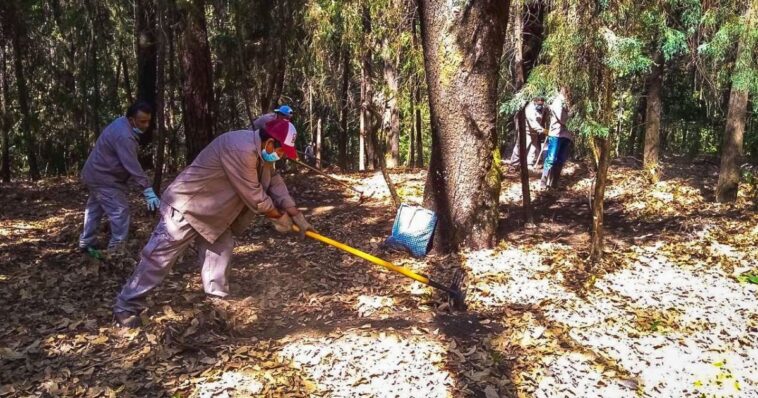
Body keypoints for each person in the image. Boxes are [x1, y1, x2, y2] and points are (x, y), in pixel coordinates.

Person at [113, 119, 315, 328]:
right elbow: (254, 195)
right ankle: (126, 305)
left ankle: (217, 306)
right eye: (281, 152)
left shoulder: (263, 154)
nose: (280, 157)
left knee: (220, 252)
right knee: (158, 258)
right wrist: (278, 216)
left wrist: (294, 212)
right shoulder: (241, 148)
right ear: (270, 143)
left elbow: (274, 180)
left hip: (215, 215)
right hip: (187, 206)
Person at [78, 101, 160, 255]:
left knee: (95, 208)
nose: (146, 125)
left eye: (148, 121)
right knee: (119, 211)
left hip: (94, 173)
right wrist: (147, 188)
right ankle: (116, 251)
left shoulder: (121, 123)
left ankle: (87, 242)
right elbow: (132, 164)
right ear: (131, 120)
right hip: (104, 178)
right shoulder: (124, 136)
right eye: (142, 121)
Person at [541, 89, 573, 190]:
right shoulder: (558, 101)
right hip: (556, 134)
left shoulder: (570, 102)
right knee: (551, 159)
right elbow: (562, 118)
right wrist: (572, 113)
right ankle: (543, 183)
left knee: (561, 160)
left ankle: (554, 183)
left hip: (567, 135)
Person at [509, 97, 545, 168]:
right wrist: (543, 130)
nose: (540, 105)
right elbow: (532, 123)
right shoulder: (529, 108)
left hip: (535, 132)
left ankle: (529, 164)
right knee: (520, 147)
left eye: (541, 103)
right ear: (535, 101)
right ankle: (514, 164)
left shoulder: (542, 108)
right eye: (539, 103)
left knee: (533, 148)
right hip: (526, 131)